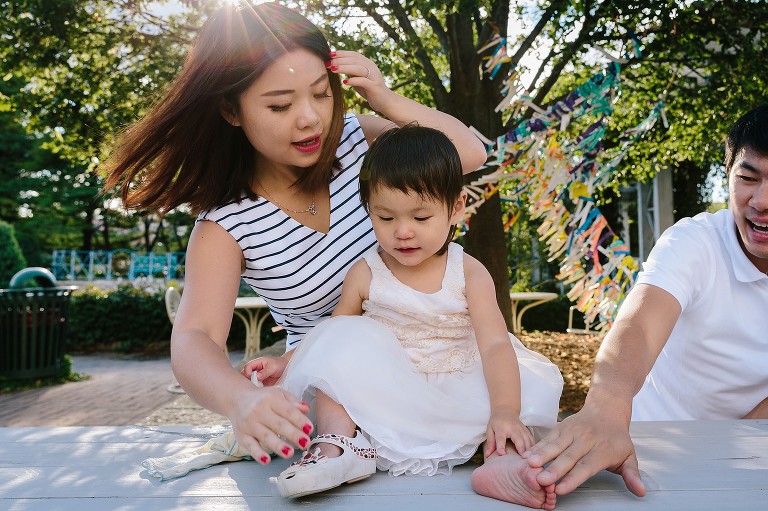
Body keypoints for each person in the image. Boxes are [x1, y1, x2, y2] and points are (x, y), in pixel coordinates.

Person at [103, 2, 487, 468]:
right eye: (280, 104)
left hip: (435, 364)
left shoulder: (358, 142)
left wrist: (385, 100)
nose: (310, 119)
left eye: (321, 94)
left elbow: (467, 152)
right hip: (334, 398)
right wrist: (239, 399)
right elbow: (195, 337)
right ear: (231, 109)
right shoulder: (226, 225)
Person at [242, 125, 563, 507]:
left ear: (456, 207)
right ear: (369, 212)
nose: (403, 232)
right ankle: (338, 447)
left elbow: (495, 345)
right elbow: (328, 339)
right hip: (391, 395)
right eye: (386, 218)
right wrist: (286, 361)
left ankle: (503, 464)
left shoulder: (468, 272)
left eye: (421, 217)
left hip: (460, 391)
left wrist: (506, 411)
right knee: (342, 337)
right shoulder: (365, 272)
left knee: (508, 423)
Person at [471, 104, 768, 503]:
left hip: (742, 457)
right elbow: (640, 325)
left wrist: (737, 446)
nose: (761, 201)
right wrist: (606, 409)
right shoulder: (696, 242)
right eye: (748, 178)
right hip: (640, 445)